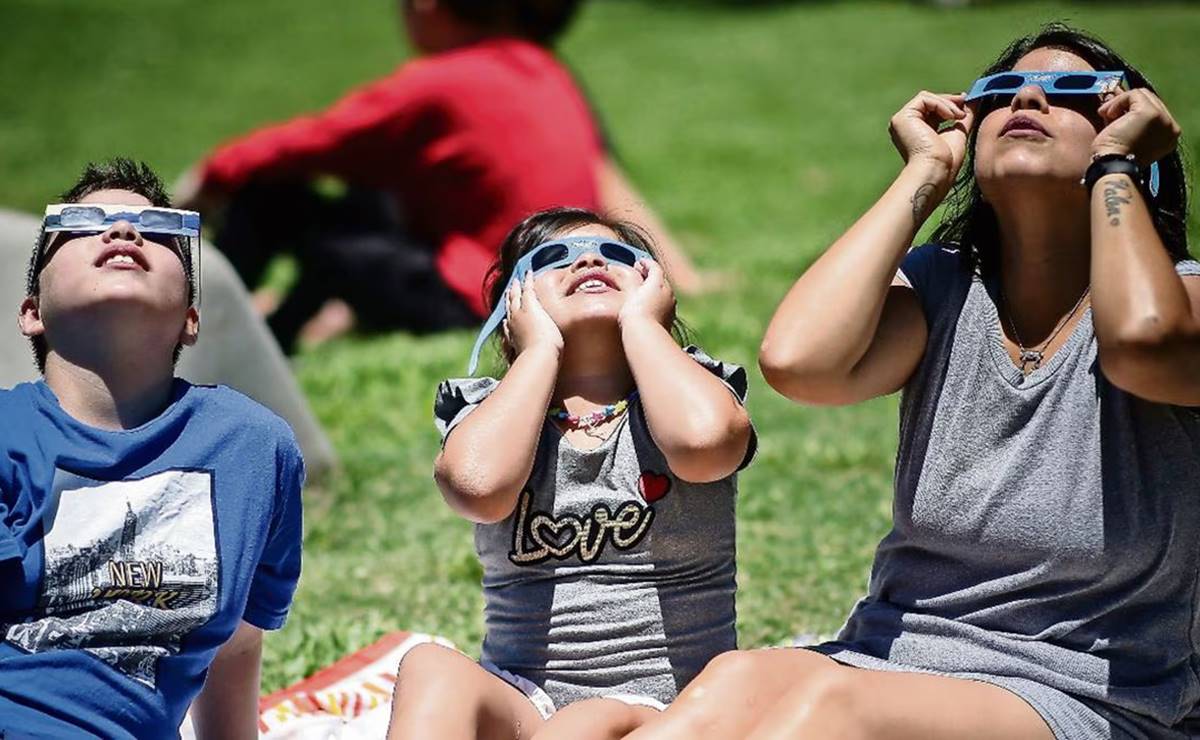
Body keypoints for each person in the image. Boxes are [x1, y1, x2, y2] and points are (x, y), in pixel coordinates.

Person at [626, 24, 1199, 740]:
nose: (1026, 97)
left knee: (829, 713)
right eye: (1000, 92)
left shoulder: (1181, 303)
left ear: (1130, 125)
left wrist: (1116, 167)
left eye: (1072, 92)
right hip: (893, 654)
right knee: (734, 682)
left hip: (1086, 690)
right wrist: (924, 175)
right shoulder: (943, 291)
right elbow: (801, 363)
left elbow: (1144, 344)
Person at [385, 207, 754, 739]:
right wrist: (539, 351)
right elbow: (479, 488)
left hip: (673, 702)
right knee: (428, 664)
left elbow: (705, 446)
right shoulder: (491, 412)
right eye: (553, 257)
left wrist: (643, 327)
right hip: (525, 698)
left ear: (656, 288)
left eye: (620, 257)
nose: (588, 259)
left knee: (586, 721)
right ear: (511, 307)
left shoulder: (686, 391)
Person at [180, 0, 707, 353]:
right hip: (530, 275)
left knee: (281, 205)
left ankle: (234, 336)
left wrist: (210, 176)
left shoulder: (438, 83)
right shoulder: (540, 66)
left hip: (481, 293)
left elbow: (311, 142)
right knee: (369, 197)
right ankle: (262, 324)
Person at [0, 158, 304, 739]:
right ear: (32, 311)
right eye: (84, 223)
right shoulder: (6, 433)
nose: (122, 231)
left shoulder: (253, 448)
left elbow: (236, 640)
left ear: (192, 318)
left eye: (161, 231)